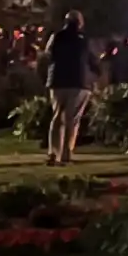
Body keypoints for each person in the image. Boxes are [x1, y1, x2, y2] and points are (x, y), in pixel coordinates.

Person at [44, 11, 94, 166]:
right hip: (77, 81)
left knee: (57, 116)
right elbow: (89, 59)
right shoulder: (82, 39)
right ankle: (66, 153)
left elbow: (48, 55)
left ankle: (53, 152)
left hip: (57, 80)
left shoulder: (57, 36)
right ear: (79, 22)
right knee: (71, 119)